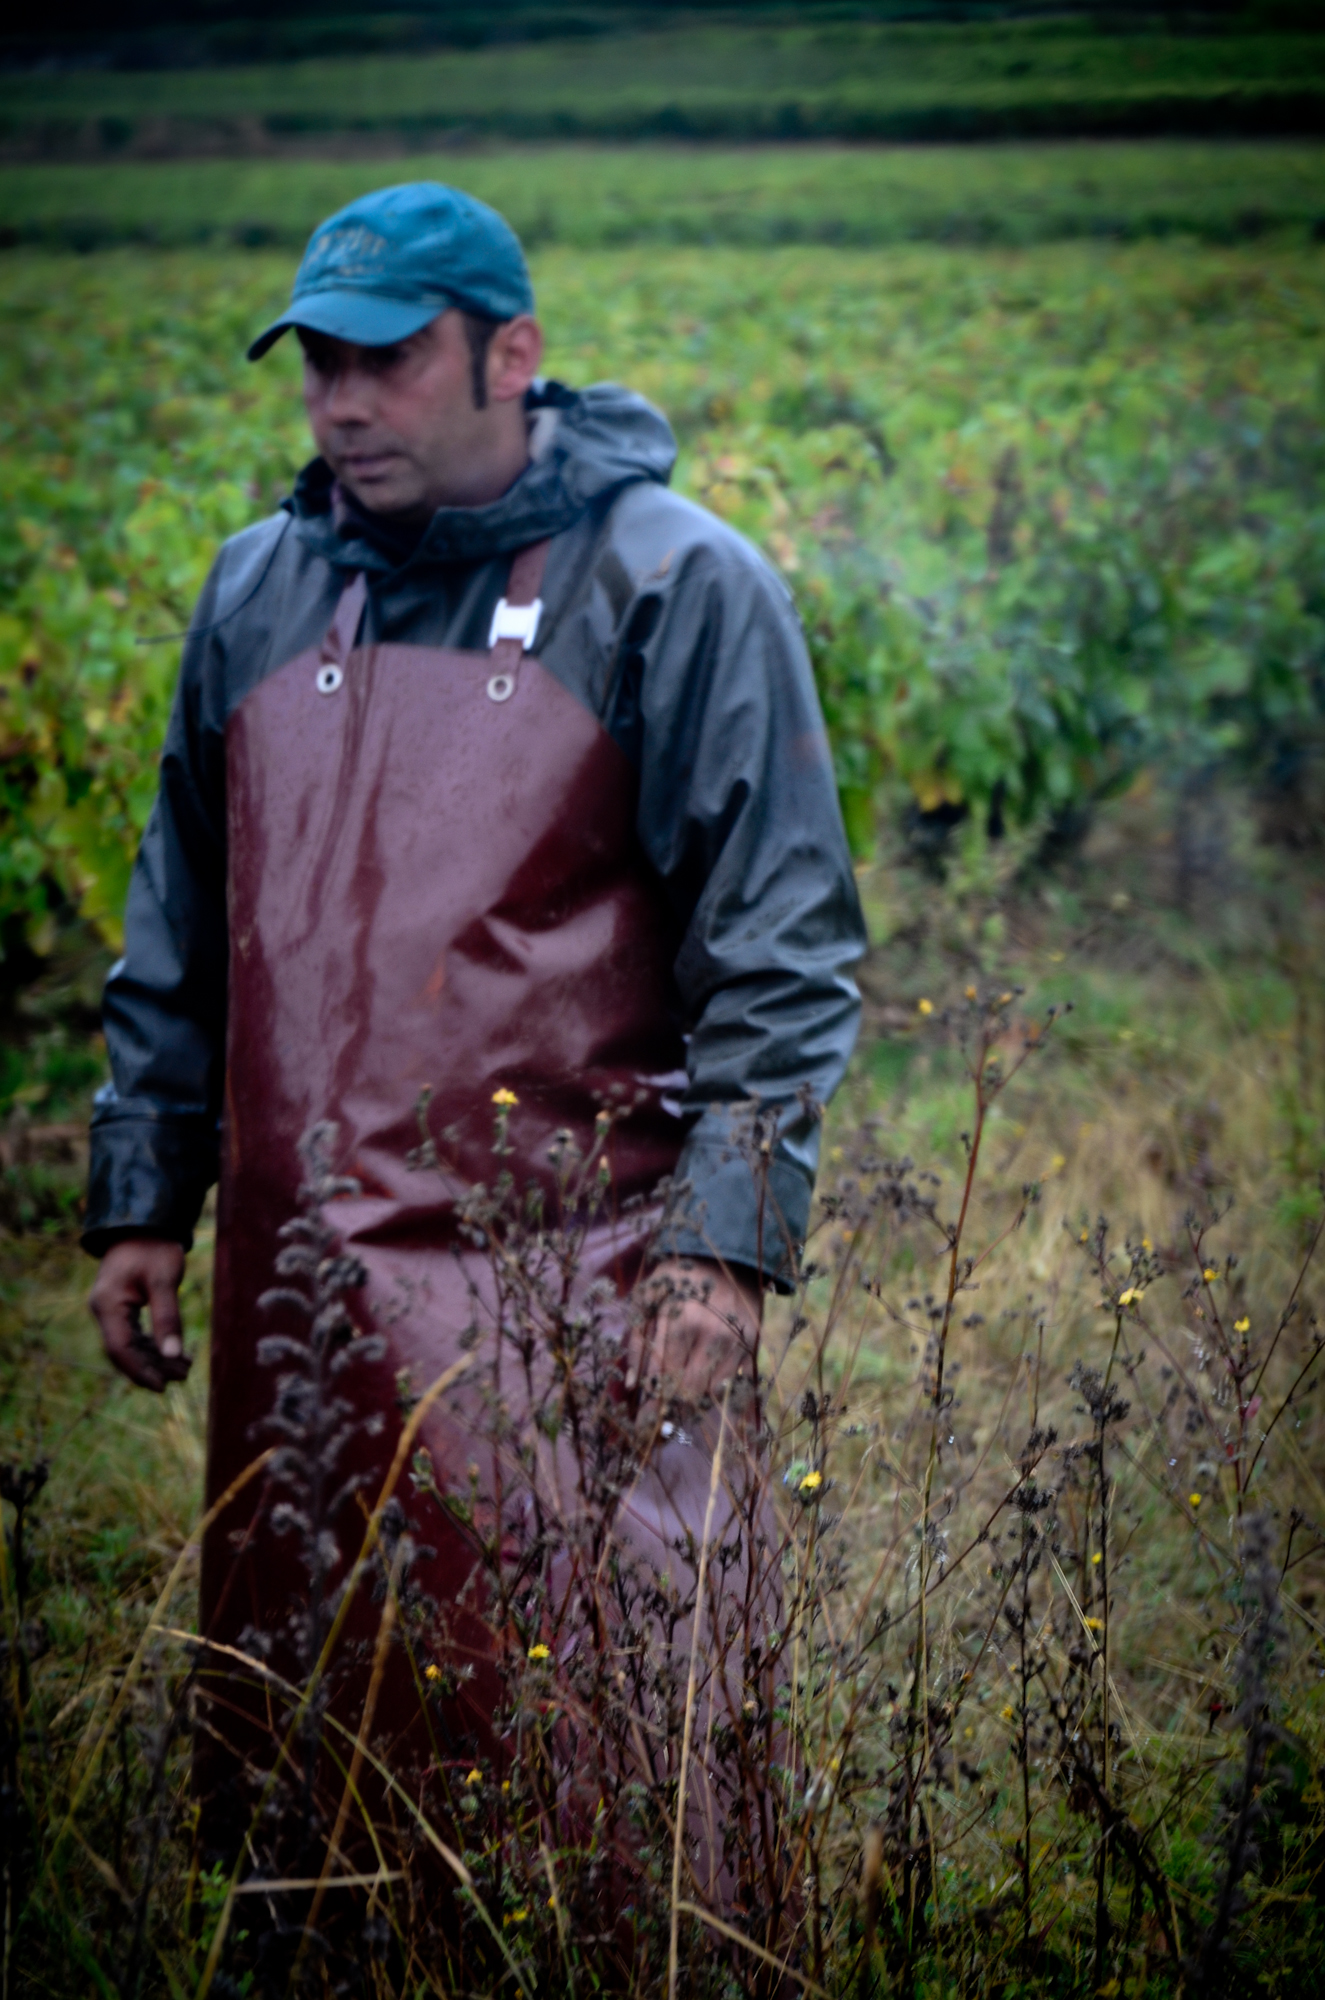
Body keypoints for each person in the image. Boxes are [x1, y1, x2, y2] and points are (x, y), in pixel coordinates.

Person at [82, 182, 864, 1901]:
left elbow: (783, 951)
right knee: (308, 1716)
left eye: (386, 362)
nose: (342, 405)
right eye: (316, 369)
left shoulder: (676, 587)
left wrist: (721, 1250)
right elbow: (181, 920)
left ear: (511, 353)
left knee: (593, 1727)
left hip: (574, 1285)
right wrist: (145, 1194)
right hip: (295, 1282)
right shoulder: (257, 595)